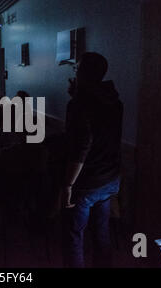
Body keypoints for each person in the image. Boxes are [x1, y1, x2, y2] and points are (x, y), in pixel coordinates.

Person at [60, 52, 123, 268]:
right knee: (101, 233)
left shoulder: (79, 104)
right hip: (110, 178)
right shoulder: (114, 100)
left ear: (84, 73)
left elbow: (81, 146)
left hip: (86, 182)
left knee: (74, 237)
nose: (74, 72)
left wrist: (68, 184)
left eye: (77, 69)